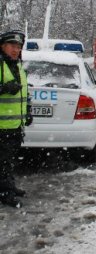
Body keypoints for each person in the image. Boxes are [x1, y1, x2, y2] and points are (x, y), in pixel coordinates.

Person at [0, 30, 33, 208]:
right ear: (3, 46)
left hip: (14, 124)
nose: (16, 50)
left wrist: (27, 111)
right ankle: (5, 193)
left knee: (9, 160)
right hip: (1, 125)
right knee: (3, 161)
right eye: (13, 46)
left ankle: (9, 187)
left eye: (19, 47)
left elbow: (24, 93)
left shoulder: (18, 65)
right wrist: (4, 88)